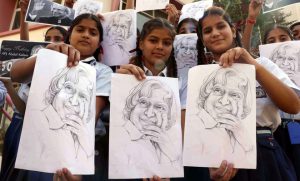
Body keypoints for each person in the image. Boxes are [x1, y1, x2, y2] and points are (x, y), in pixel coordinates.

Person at [196, 6, 300, 181]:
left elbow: (293, 105)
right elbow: (200, 129)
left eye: (221, 26)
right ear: (202, 39)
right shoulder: (200, 77)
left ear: (233, 30)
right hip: (226, 160)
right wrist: (211, 165)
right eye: (208, 30)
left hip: (266, 153)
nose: (215, 33)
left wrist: (253, 65)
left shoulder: (262, 64)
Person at [10, 13, 112, 181]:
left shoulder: (102, 71)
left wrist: (76, 164)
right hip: (41, 145)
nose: (86, 35)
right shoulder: (50, 58)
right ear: (69, 36)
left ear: (99, 43)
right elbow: (15, 74)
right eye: (80, 30)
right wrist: (44, 56)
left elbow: (90, 115)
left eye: (93, 33)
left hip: (80, 148)